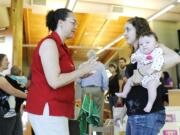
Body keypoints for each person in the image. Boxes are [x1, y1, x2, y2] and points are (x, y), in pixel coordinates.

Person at [25, 8, 98, 135]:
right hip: (47, 107)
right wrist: (80, 72)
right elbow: (54, 81)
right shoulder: (49, 44)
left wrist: (80, 74)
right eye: (73, 22)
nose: (76, 26)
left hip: (57, 108)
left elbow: (62, 77)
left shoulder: (62, 47)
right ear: (61, 22)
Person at [116, 17, 180, 135]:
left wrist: (144, 71)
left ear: (138, 29)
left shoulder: (153, 46)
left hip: (146, 116)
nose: (124, 34)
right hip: (134, 114)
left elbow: (176, 57)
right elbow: (134, 92)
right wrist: (122, 113)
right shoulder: (136, 54)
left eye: (127, 29)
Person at [116, 31, 164, 112]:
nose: (144, 45)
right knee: (129, 80)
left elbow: (159, 62)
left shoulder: (157, 53)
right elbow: (133, 57)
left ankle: (150, 104)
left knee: (152, 87)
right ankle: (124, 93)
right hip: (140, 77)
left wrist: (152, 70)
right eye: (141, 44)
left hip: (152, 77)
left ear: (156, 44)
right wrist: (135, 58)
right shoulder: (140, 52)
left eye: (147, 43)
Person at [77, 49, 108, 126]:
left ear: (88, 56)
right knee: (98, 111)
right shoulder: (100, 65)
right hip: (97, 89)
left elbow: (78, 79)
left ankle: (86, 131)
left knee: (85, 110)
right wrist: (104, 89)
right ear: (95, 56)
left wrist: (82, 84)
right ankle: (97, 132)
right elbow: (105, 78)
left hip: (85, 89)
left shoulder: (82, 65)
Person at [0, 53, 27, 135]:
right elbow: (12, 91)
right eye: (6, 60)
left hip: (14, 110)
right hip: (5, 111)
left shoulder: (4, 76)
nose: (8, 62)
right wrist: (28, 96)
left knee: (18, 132)